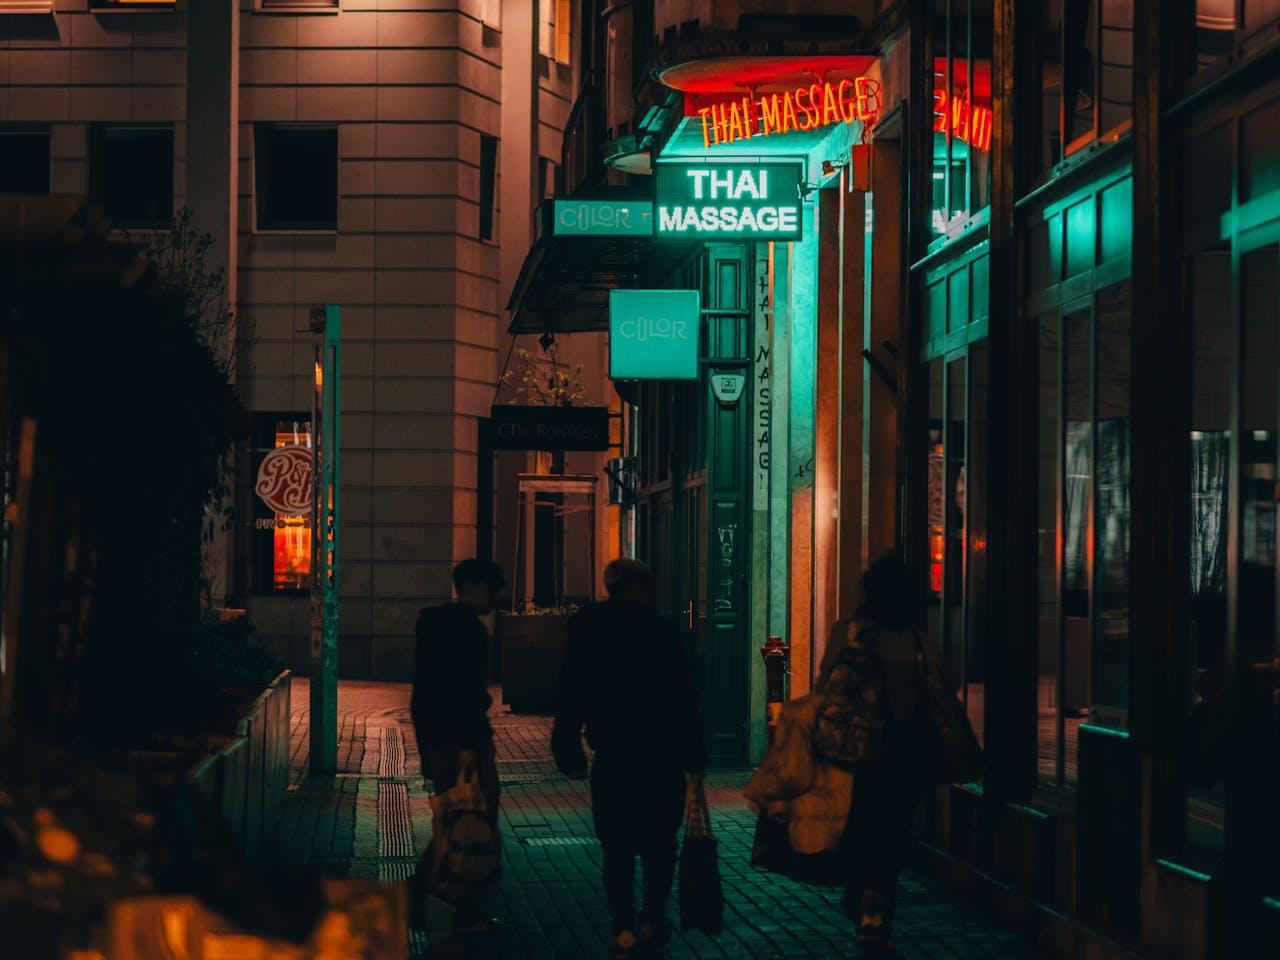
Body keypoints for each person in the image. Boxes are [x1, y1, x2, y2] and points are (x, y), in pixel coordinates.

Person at [552, 558, 706, 960]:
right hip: (660, 755)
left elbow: (570, 693)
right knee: (659, 844)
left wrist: (567, 748)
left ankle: (622, 926)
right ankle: (652, 916)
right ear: (639, 588)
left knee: (616, 847)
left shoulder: (589, 632)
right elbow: (683, 697)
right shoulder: (661, 632)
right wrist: (695, 755)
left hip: (614, 754)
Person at [818, 552, 953, 960]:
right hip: (907, 753)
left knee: (861, 828)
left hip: (858, 751)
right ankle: (879, 914)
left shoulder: (851, 633)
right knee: (893, 835)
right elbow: (949, 685)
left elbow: (825, 682)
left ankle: (861, 901)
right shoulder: (919, 642)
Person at [409, 558, 506, 935]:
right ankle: (453, 902)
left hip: (438, 737)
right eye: (493, 588)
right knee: (471, 821)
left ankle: (438, 897)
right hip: (463, 741)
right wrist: (468, 745)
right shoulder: (469, 630)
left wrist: (426, 743)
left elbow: (426, 691)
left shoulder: (433, 625)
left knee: (454, 820)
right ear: (474, 586)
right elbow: (463, 691)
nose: (496, 597)